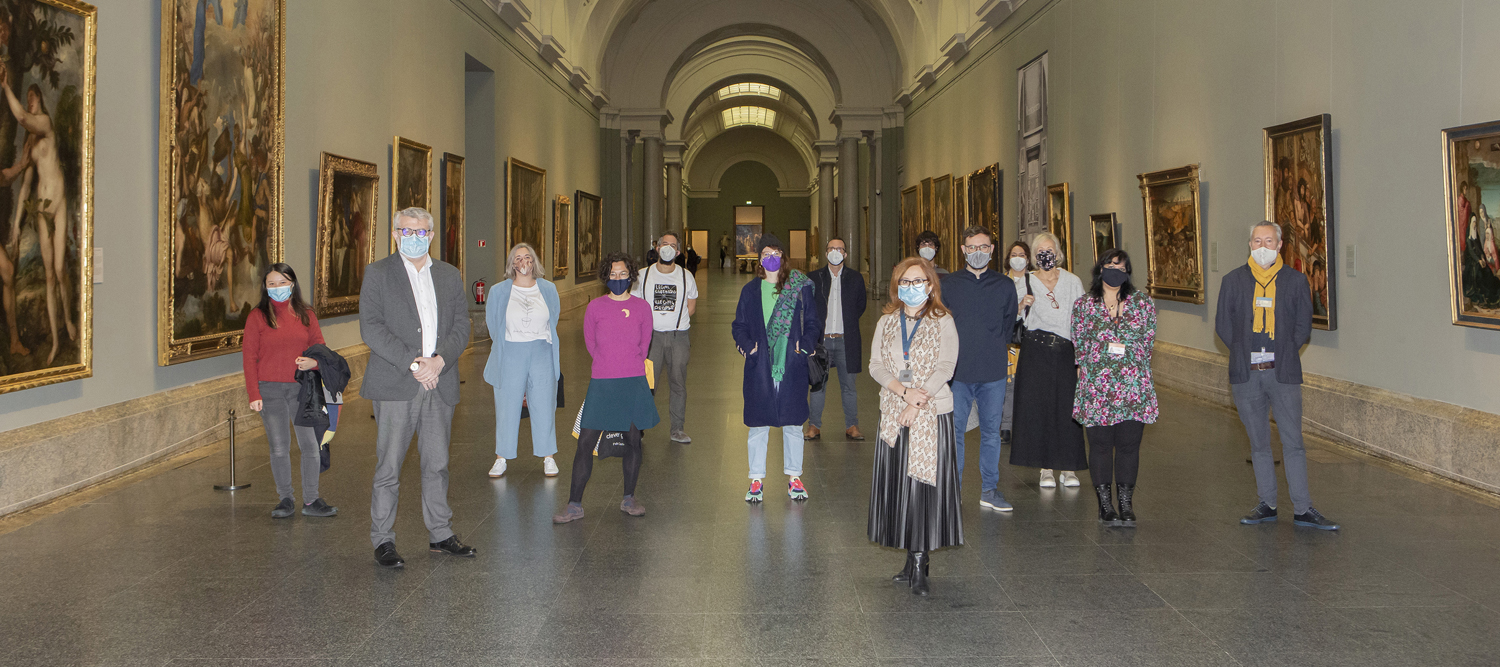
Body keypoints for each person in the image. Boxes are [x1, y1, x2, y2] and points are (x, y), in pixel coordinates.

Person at [361, 207, 475, 568]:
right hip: (397, 383)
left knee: (437, 464)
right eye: (407, 231)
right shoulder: (378, 273)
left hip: (440, 381)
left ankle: (441, 532)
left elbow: (462, 325)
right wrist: (414, 364)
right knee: (389, 467)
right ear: (395, 234)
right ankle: (383, 539)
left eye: (421, 232)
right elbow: (372, 327)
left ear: (431, 236)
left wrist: (439, 361)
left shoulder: (449, 274)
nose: (414, 237)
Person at [1217, 221, 1339, 530]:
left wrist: (1282, 352)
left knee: (1293, 442)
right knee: (1259, 444)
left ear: (1280, 245)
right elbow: (1223, 325)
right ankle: (1267, 504)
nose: (1262, 247)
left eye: (1268, 241)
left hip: (1283, 373)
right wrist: (1244, 352)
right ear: (1250, 244)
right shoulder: (1233, 281)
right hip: (1247, 375)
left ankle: (1303, 508)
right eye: (1257, 241)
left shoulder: (1295, 281)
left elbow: (1303, 326)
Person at [867, 257, 962, 597]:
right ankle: (910, 557)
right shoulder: (887, 321)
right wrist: (903, 393)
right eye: (905, 282)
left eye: (918, 281)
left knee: (922, 490)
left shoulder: (943, 321)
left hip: (931, 413)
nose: (911, 287)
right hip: (894, 412)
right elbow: (876, 365)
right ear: (897, 286)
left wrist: (916, 401)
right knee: (900, 488)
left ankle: (921, 562)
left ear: (930, 285)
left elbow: (946, 366)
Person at [554, 253, 659, 523]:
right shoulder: (595, 308)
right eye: (613, 274)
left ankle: (629, 498)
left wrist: (626, 363)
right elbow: (591, 343)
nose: (618, 278)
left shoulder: (642, 308)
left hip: (632, 380)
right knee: (585, 442)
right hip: (602, 382)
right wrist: (608, 364)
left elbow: (644, 344)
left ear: (631, 275)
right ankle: (574, 504)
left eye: (622, 274)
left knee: (633, 440)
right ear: (605, 277)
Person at [242, 263, 337, 519]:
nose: (277, 288)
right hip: (269, 390)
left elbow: (320, 347)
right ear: (265, 287)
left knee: (310, 445)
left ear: (292, 284)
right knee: (279, 447)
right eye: (271, 284)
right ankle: (285, 498)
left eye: (282, 283)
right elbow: (249, 357)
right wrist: (253, 394)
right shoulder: (257, 316)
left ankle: (311, 499)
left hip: (302, 389)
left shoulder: (306, 314)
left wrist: (313, 362)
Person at [732, 233, 821, 502]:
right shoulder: (750, 291)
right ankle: (756, 479)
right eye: (766, 254)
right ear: (759, 259)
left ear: (783, 257)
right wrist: (748, 346)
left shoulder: (799, 288)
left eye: (776, 254)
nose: (771, 258)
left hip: (791, 364)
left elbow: (813, 323)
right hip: (760, 366)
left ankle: (794, 477)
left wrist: (805, 346)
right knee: (758, 425)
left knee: (793, 423)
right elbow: (739, 326)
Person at [1072, 249, 1158, 526]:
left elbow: (1147, 343)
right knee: (1100, 446)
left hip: (1133, 387)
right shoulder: (1084, 305)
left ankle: (1126, 504)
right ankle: (1105, 505)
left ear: (1128, 272)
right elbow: (1079, 346)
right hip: (1097, 388)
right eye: (1110, 266)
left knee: (1129, 447)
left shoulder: (1143, 303)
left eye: (1121, 268)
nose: (1115, 271)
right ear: (1100, 269)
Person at [941, 227, 1018, 511]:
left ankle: (989, 490)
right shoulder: (949, 284)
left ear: (992, 250)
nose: (978, 252)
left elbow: (1008, 325)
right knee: (955, 434)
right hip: (957, 373)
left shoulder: (1004, 285)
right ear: (963, 250)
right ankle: (954, 491)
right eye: (972, 247)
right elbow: (941, 325)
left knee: (991, 434)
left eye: (983, 247)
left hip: (993, 371)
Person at [1009, 232, 1088, 488]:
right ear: (1034, 256)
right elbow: (1010, 317)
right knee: (1039, 409)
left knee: (1067, 409)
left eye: (1050, 250)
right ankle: (1046, 468)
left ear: (1058, 253)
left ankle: (1069, 467)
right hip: (1035, 350)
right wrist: (1021, 305)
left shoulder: (1072, 281)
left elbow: (1082, 321)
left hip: (1065, 350)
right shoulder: (1025, 281)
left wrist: (1081, 360)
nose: (1046, 255)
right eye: (1040, 251)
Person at [483, 243, 562, 479]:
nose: (523, 262)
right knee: (507, 406)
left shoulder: (548, 288)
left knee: (544, 404)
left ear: (534, 261)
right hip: (511, 351)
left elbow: (554, 317)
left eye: (527, 257)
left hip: (541, 350)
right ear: (512, 264)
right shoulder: (498, 291)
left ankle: (548, 456)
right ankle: (501, 457)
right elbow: (493, 323)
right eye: (518, 258)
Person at [633, 231, 698, 444]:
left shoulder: (686, 276)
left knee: (678, 383)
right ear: (657, 248)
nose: (668, 248)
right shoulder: (643, 275)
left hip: (678, 336)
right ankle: (639, 428)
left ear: (678, 252)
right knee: (647, 384)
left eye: (673, 245)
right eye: (664, 244)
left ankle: (677, 429)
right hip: (651, 338)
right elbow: (635, 306)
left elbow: (691, 306)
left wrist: (673, 323)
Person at [807, 236, 868, 442]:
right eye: (831, 248)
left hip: (845, 340)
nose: (835, 252)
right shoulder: (814, 278)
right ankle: (814, 425)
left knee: (849, 386)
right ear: (826, 253)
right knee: (818, 385)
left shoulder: (855, 278)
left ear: (845, 254)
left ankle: (852, 425)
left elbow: (860, 306)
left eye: (839, 249)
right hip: (821, 341)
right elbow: (808, 306)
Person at [1001, 240, 1033, 445]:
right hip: (1010, 339)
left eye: (1022, 255)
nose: (1018, 259)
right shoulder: (1002, 281)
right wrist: (1019, 307)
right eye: (1014, 255)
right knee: (1009, 384)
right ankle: (1006, 425)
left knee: (1028, 385)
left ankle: (1025, 426)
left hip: (1031, 338)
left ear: (1028, 259)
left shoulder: (1035, 281)